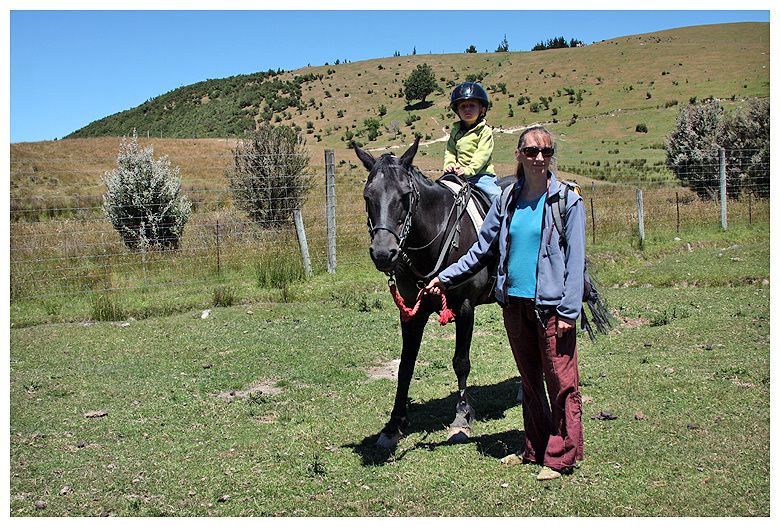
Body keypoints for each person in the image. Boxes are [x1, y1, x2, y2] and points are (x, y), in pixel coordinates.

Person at [425, 125, 585, 481]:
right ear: (519, 155)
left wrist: (569, 312)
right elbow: (481, 249)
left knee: (560, 382)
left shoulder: (567, 200)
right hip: (514, 303)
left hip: (552, 306)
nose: (538, 157)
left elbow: (576, 261)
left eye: (545, 151)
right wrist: (445, 276)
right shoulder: (507, 200)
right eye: (531, 151)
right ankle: (535, 447)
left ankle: (561, 456)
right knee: (529, 380)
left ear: (552, 154)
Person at [443, 82, 502, 201]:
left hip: (481, 176)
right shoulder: (455, 131)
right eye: (463, 106)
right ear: (457, 111)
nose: (467, 109)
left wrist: (468, 170)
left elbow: (482, 155)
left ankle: (504, 218)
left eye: (472, 105)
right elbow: (450, 151)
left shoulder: (485, 131)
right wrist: (449, 165)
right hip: (458, 175)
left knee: (497, 196)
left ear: (482, 109)